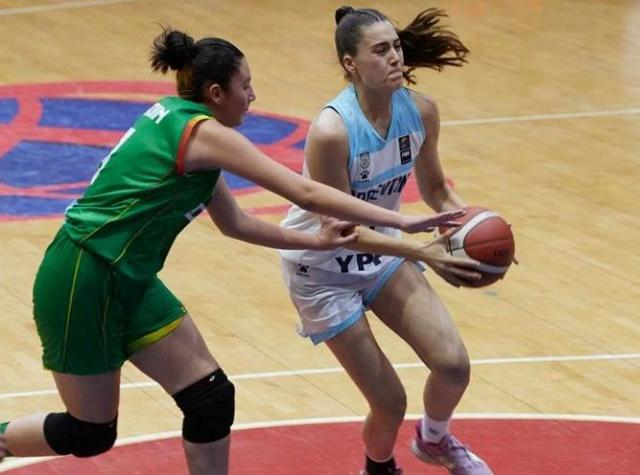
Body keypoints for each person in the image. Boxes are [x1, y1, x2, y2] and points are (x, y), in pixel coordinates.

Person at [0, 28, 467, 474]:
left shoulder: (182, 125)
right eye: (246, 86)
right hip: (84, 274)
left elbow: (235, 223)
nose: (253, 96)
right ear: (216, 93)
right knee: (90, 433)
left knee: (211, 399)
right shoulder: (205, 134)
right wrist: (401, 221)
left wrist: (317, 241)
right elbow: (304, 193)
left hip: (129, 278)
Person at [279, 6, 498, 475]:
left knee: (453, 366)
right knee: (390, 402)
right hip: (322, 271)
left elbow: (436, 189)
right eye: (380, 50)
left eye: (396, 46)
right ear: (351, 63)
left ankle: (434, 440)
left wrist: (475, 228)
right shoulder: (332, 130)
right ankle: (379, 469)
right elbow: (343, 230)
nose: (395, 57)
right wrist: (421, 250)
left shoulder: (420, 111)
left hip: (383, 254)